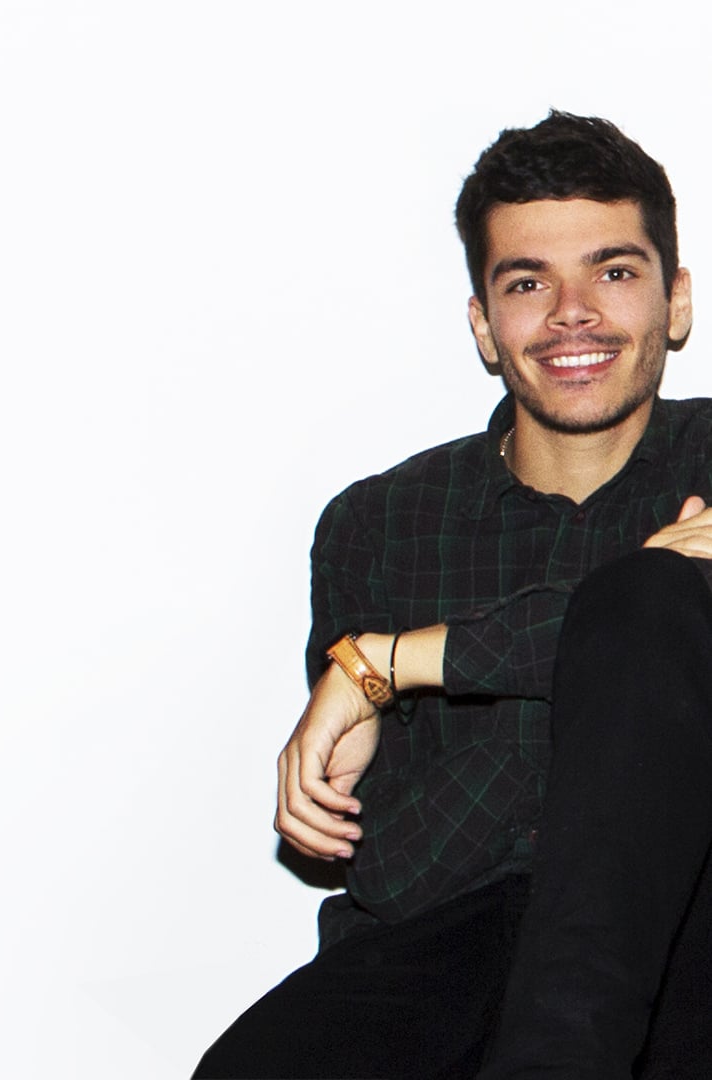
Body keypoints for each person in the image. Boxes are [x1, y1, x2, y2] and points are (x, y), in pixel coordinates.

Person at [193, 111, 712, 1078]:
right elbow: (391, 868)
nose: (572, 313)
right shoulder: (379, 526)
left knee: (648, 609)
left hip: (689, 924)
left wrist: (401, 661)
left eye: (613, 271)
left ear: (675, 301)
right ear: (483, 324)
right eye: (528, 283)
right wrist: (612, 648)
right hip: (447, 937)